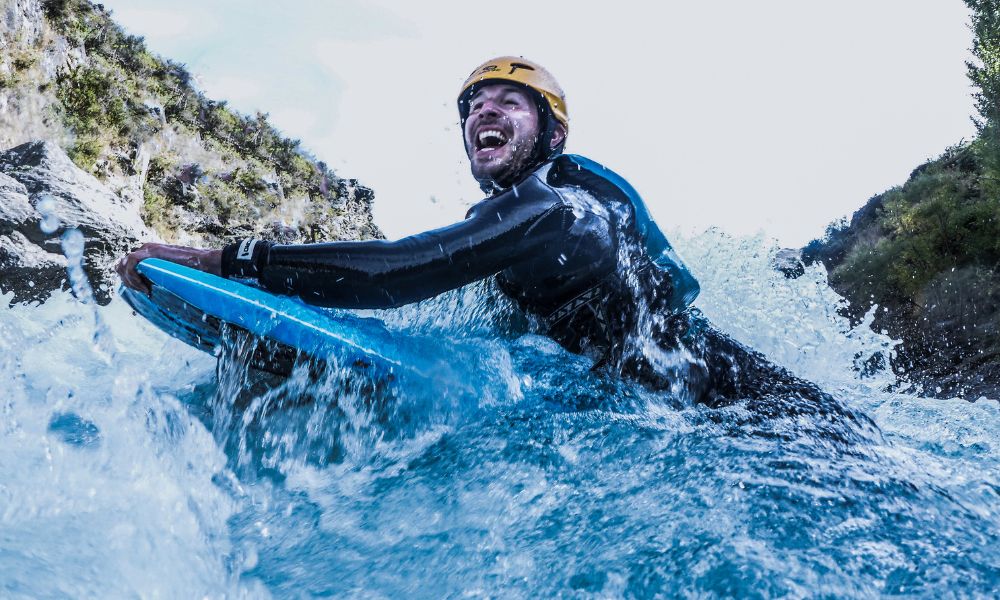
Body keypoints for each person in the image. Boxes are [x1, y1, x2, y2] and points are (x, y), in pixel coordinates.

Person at [118, 56, 841, 413]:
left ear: (551, 131)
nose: (484, 113)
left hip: (752, 410)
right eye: (473, 107)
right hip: (689, 406)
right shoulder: (534, 221)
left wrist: (231, 260)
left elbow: (399, 274)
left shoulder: (555, 209)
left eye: (508, 102)